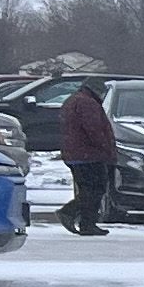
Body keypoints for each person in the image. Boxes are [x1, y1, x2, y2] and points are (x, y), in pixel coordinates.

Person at [57, 77, 117, 235]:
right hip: (89, 154)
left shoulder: (73, 100)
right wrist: (106, 148)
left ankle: (85, 222)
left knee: (87, 189)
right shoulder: (88, 103)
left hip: (75, 153)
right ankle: (77, 216)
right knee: (96, 188)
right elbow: (94, 130)